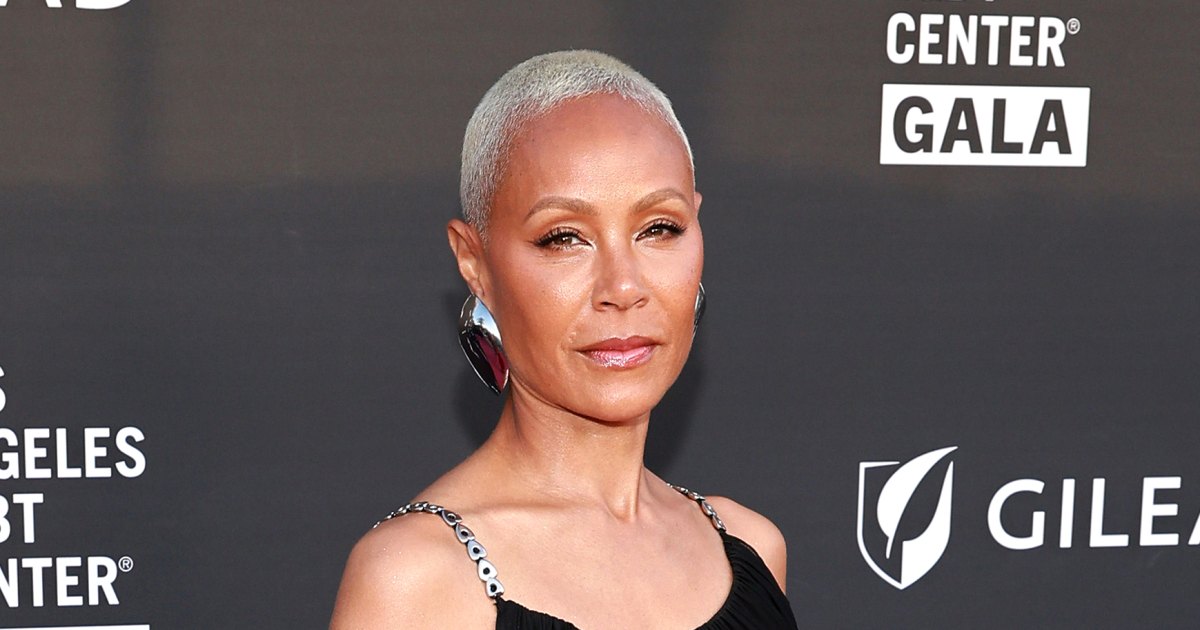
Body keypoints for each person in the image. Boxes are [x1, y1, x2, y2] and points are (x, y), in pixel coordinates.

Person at [330, 50, 797, 629]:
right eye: (564, 238)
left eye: (659, 228)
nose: (623, 288)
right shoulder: (417, 581)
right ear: (474, 262)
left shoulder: (752, 548)